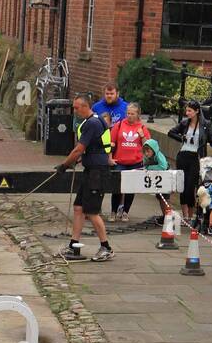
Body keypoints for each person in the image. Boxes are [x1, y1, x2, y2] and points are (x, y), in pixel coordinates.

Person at [55, 94, 114, 262]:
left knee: (92, 211)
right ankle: (74, 245)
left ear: (85, 106)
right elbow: (93, 148)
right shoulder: (93, 120)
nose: (74, 111)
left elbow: (79, 149)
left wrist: (65, 165)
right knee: (79, 208)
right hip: (90, 170)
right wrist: (77, 161)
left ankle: (106, 248)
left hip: (97, 172)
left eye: (76, 107)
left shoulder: (93, 123)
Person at [167, 99, 212, 224]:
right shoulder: (184, 123)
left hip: (196, 158)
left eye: (190, 111)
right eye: (186, 110)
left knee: (191, 187)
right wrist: (181, 137)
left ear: (197, 111)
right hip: (183, 156)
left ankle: (191, 213)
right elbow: (171, 132)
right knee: (182, 187)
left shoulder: (206, 125)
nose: (187, 113)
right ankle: (185, 216)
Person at [109, 101, 150, 220]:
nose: (129, 116)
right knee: (117, 188)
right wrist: (110, 158)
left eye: (132, 114)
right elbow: (112, 142)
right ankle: (113, 211)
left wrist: (142, 136)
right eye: (128, 113)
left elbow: (148, 147)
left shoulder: (142, 127)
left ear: (138, 114)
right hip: (120, 161)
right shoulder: (119, 124)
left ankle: (125, 211)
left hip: (135, 162)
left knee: (131, 189)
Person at [141, 135, 174, 219]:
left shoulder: (159, 155)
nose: (146, 153)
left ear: (153, 150)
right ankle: (164, 216)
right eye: (145, 152)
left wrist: (150, 168)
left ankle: (169, 217)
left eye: (148, 151)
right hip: (157, 179)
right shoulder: (147, 157)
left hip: (165, 178)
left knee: (165, 198)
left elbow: (163, 166)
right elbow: (145, 166)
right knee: (160, 197)